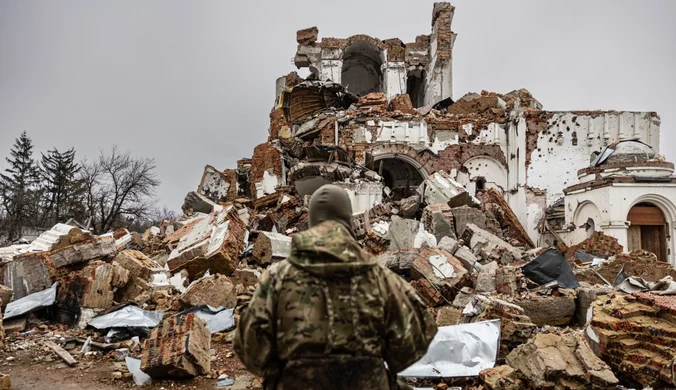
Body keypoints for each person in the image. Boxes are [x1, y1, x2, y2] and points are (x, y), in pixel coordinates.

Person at [234, 184, 438, 390]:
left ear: (312, 223)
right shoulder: (381, 279)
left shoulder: (277, 279)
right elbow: (414, 344)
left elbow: (250, 351)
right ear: (347, 221)